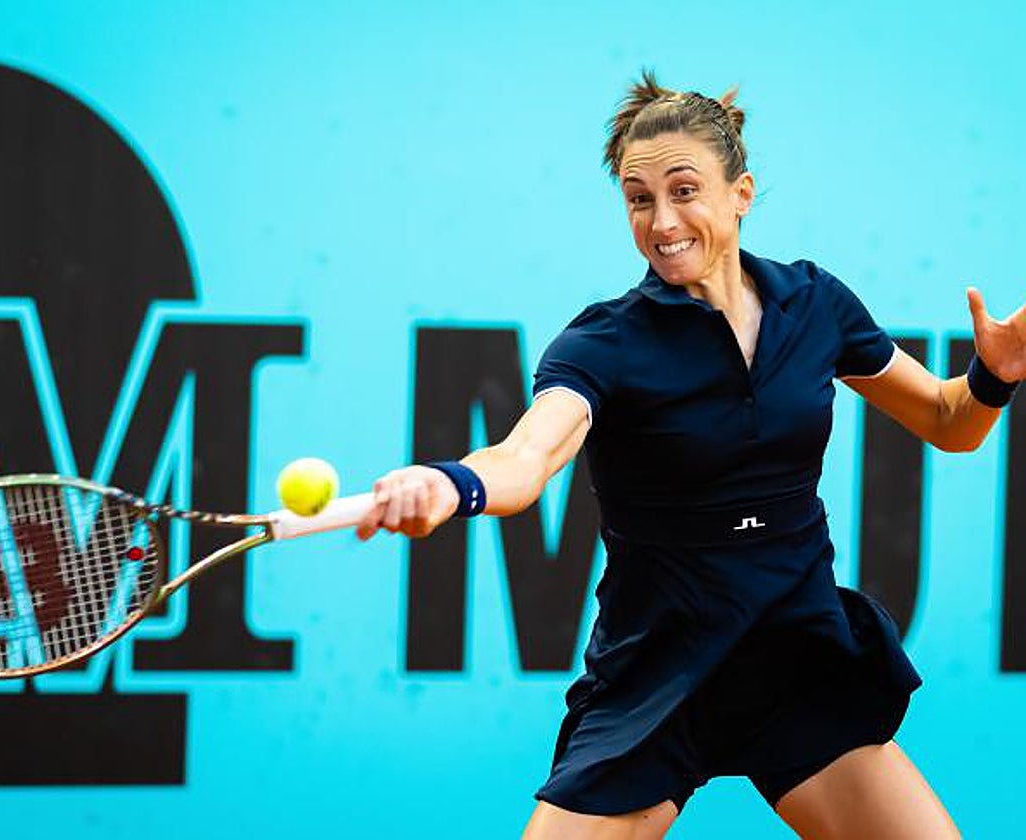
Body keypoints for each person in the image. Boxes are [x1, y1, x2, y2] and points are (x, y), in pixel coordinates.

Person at [357, 71, 1025, 839]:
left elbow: (950, 422)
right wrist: (452, 484)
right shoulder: (604, 343)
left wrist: (993, 377)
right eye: (639, 199)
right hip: (657, 677)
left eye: (684, 190)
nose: (661, 221)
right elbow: (528, 457)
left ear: (742, 192)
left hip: (793, 661)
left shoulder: (815, 305)